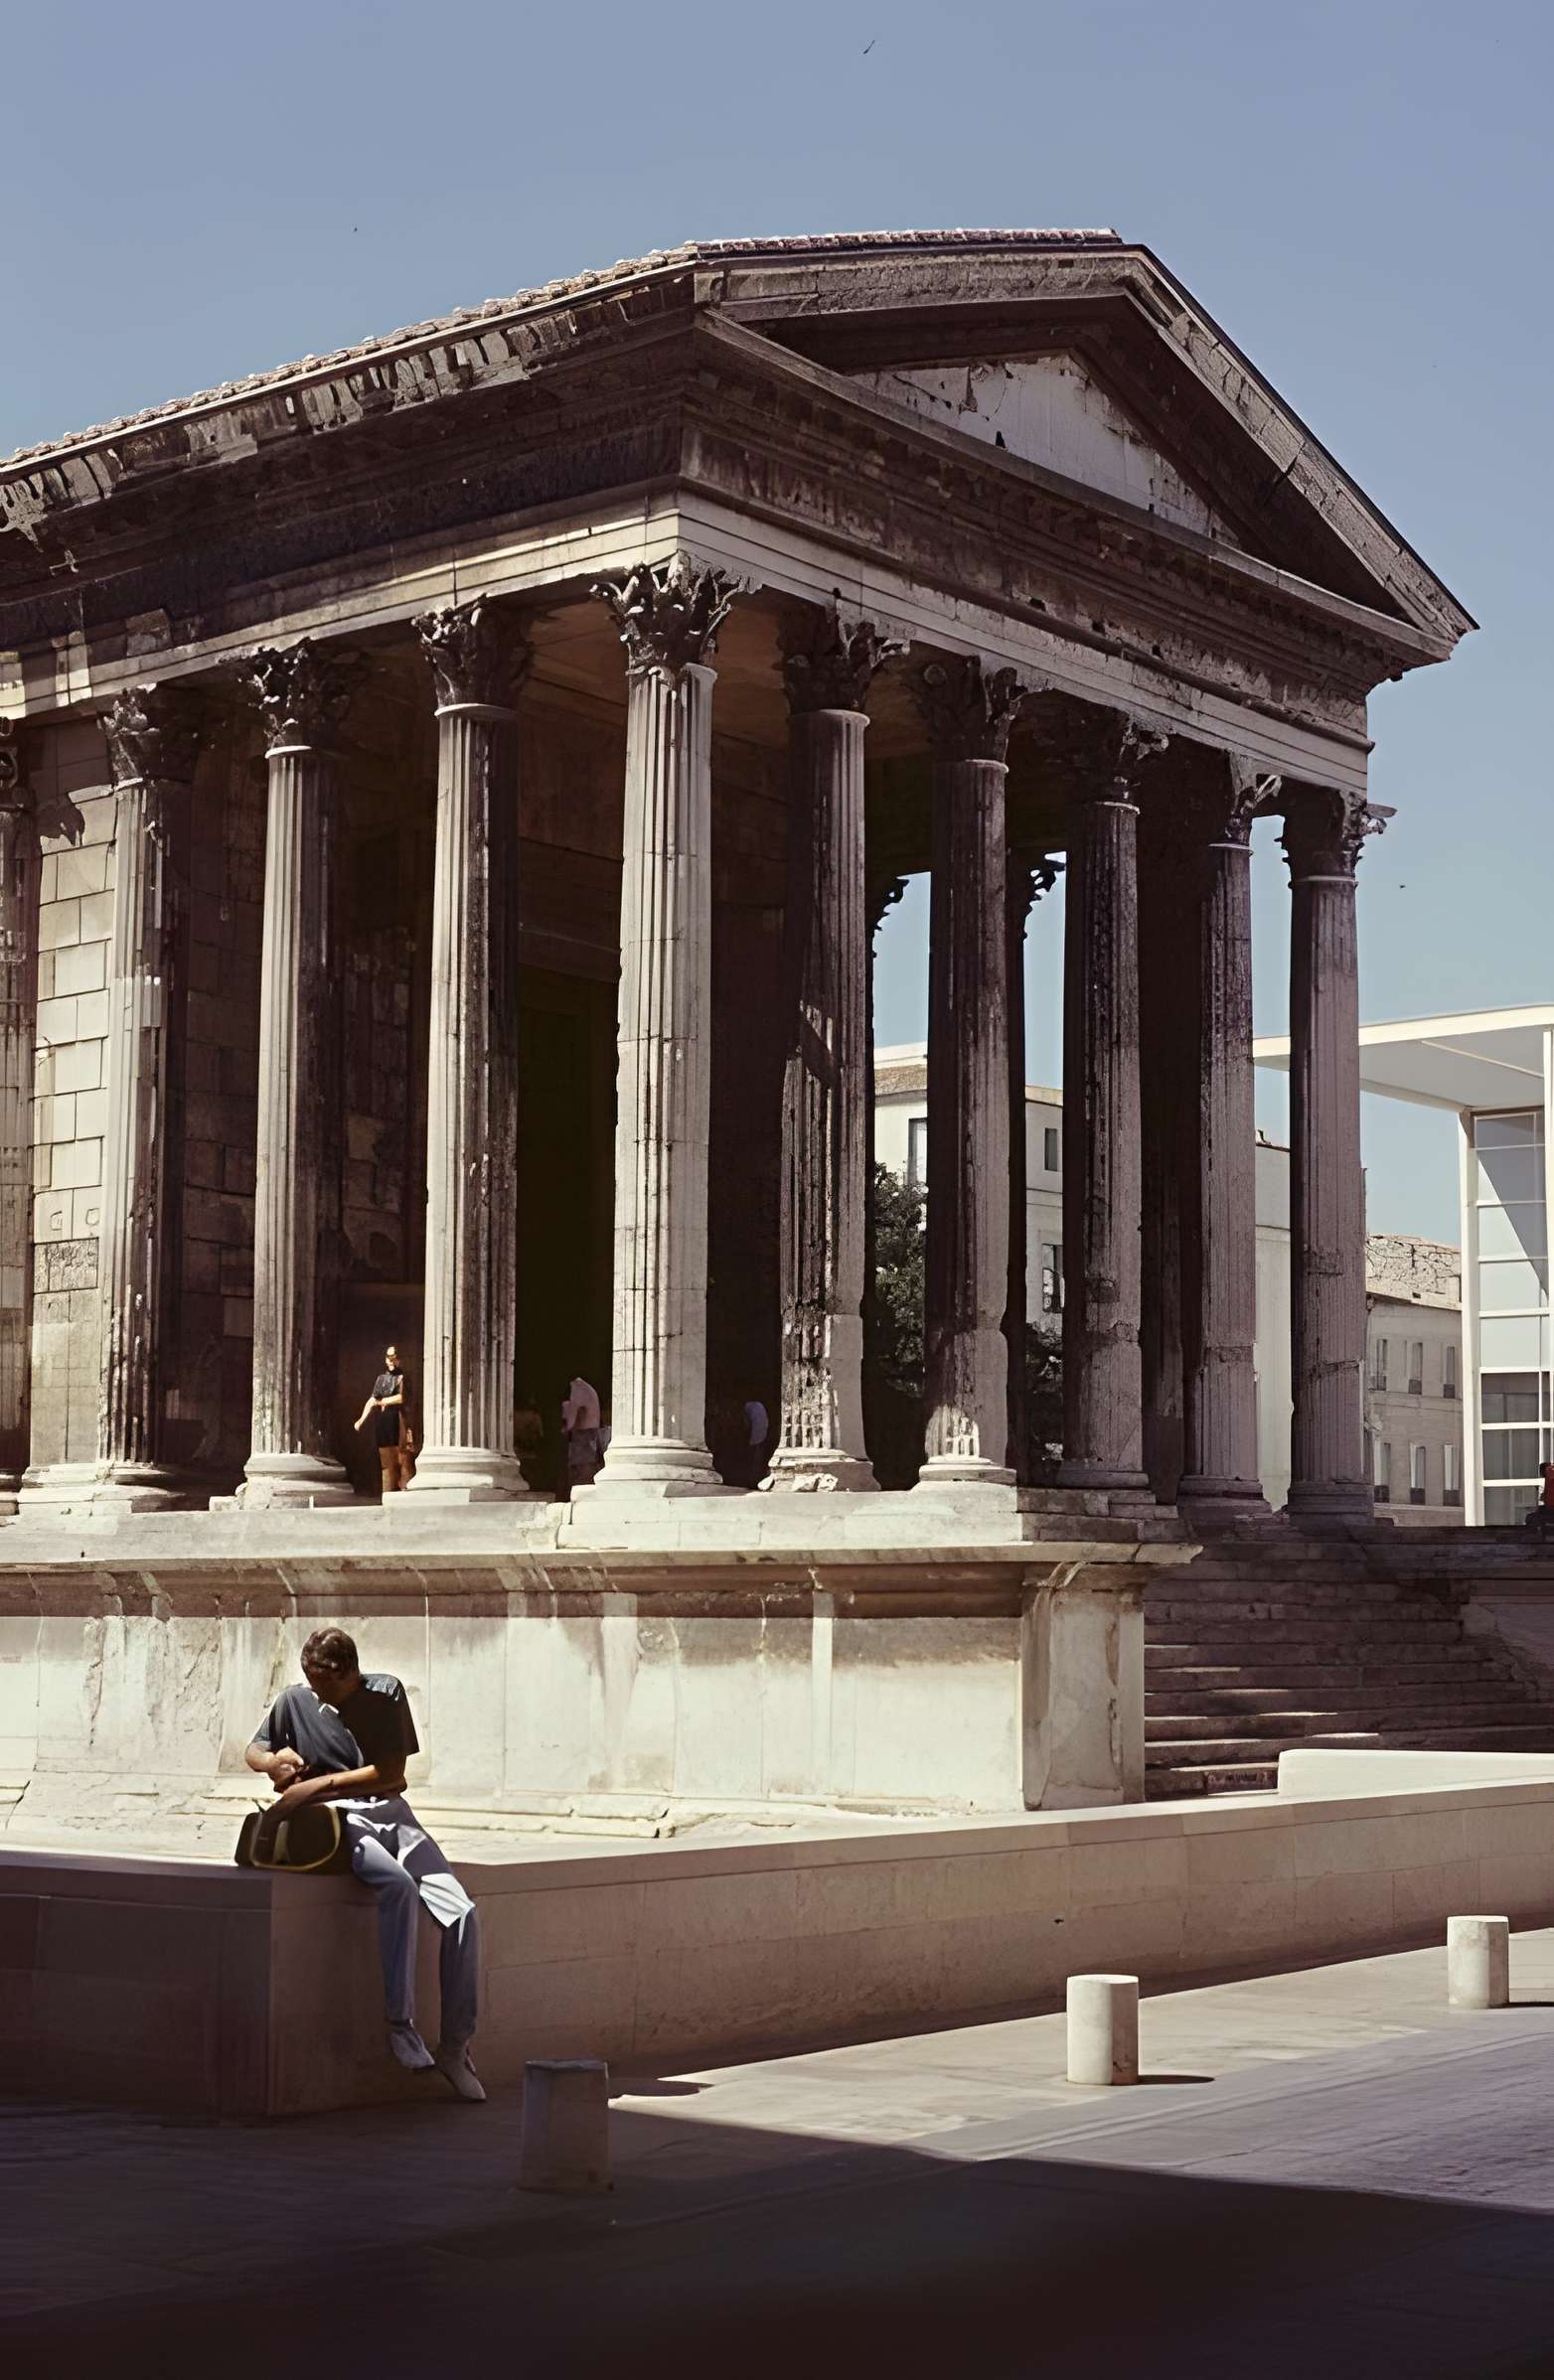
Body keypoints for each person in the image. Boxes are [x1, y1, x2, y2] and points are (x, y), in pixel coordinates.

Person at [245, 1626, 484, 2102]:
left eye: (325, 1683)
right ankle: (401, 2026)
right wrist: (275, 1762)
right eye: (310, 1680)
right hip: (345, 1821)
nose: (317, 1691)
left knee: (462, 1913)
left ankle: (455, 2046)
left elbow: (391, 1773)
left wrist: (312, 1788)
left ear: (349, 1673)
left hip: (393, 1813)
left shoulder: (385, 1693)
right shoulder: (296, 1700)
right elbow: (254, 1749)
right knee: (395, 1886)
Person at [355, 1343, 411, 1493]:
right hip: (384, 1423)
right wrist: (361, 1419)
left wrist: (383, 1401)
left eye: (395, 1357)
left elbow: (400, 1398)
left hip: (399, 1421)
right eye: (389, 1357)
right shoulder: (381, 1379)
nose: (391, 1360)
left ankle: (404, 1489)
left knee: (402, 1457)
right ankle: (388, 1490)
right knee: (386, 1460)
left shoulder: (403, 1377)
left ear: (400, 1359)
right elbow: (372, 1399)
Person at [561, 1374, 603, 1493]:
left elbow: (571, 1422)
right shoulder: (586, 1388)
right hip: (588, 1437)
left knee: (581, 1475)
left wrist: (565, 1429)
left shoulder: (578, 1388)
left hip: (584, 1438)